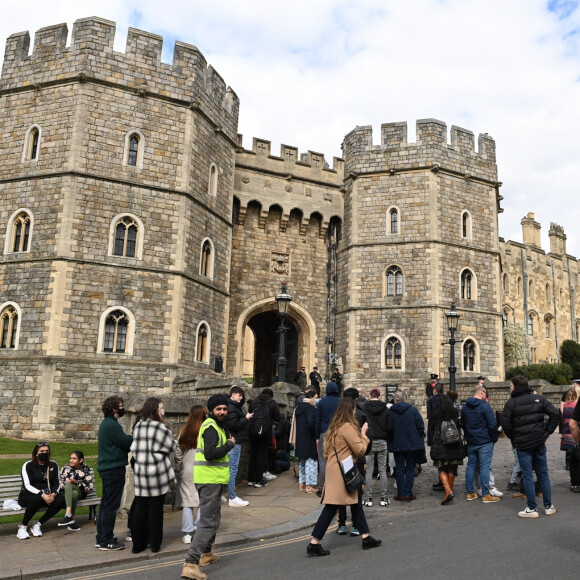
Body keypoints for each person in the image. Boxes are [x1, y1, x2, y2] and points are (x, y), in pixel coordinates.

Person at [306, 398, 382, 556]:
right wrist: (363, 434)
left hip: (336, 469)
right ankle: (314, 543)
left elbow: (326, 453)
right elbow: (360, 450)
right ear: (350, 411)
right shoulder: (347, 427)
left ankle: (366, 537)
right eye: (354, 409)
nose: (355, 412)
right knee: (331, 507)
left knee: (356, 503)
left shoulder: (333, 426)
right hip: (344, 472)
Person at [181, 394, 235, 580]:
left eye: (224, 409)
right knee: (207, 521)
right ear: (211, 410)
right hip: (209, 480)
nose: (222, 412)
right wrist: (229, 445)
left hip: (214, 479)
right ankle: (191, 563)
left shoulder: (217, 425)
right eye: (218, 409)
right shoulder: (211, 427)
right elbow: (211, 454)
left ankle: (206, 554)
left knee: (214, 517)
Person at [500, 375, 559, 518]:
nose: (510, 388)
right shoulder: (538, 398)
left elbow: (506, 425)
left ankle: (532, 508)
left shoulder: (511, 403)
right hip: (538, 441)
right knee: (543, 473)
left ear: (516, 386)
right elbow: (555, 413)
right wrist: (546, 433)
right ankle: (548, 505)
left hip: (524, 443)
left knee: (527, 475)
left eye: (511, 386)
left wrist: (515, 437)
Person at [130, 397, 176, 554]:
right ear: (155, 409)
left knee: (141, 509)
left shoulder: (138, 426)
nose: (163, 411)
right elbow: (172, 446)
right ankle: (154, 544)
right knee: (155, 511)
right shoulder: (160, 428)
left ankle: (138, 545)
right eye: (161, 408)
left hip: (142, 474)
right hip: (157, 474)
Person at [96, 395, 133, 551]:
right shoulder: (111, 425)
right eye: (120, 405)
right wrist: (131, 437)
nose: (122, 407)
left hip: (107, 469)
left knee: (105, 505)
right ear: (113, 408)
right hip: (113, 470)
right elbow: (126, 442)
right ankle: (107, 540)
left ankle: (101, 538)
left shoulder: (108, 424)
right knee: (111, 506)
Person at [17, 442, 66, 539]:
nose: (45, 453)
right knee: (37, 499)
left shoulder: (53, 465)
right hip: (28, 496)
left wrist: (54, 494)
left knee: (61, 500)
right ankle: (23, 527)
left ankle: (38, 524)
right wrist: (42, 494)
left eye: (47, 451)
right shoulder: (28, 465)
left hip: (48, 496)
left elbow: (57, 483)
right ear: (36, 453)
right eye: (42, 451)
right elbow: (27, 485)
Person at [461, 385, 499, 503]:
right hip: (484, 441)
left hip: (472, 441)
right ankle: (486, 493)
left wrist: (469, 435)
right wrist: (494, 438)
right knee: (484, 467)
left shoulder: (465, 407)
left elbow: (462, 423)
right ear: (482, 393)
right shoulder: (485, 407)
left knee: (471, 466)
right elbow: (493, 425)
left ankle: (470, 492)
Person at [176, 405, 208, 544]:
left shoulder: (184, 431)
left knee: (187, 503)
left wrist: (179, 467)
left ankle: (188, 533)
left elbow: (178, 452)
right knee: (202, 501)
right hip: (203, 469)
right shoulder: (207, 431)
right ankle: (199, 529)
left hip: (187, 470)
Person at [429, 392, 465, 505]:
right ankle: (449, 491)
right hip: (454, 444)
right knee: (451, 469)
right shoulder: (454, 412)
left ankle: (448, 491)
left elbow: (432, 428)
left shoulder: (436, 413)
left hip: (440, 445)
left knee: (441, 468)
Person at [390, 389, 425, 501]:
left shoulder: (391, 411)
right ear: (405, 399)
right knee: (410, 468)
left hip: (397, 443)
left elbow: (388, 428)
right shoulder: (413, 410)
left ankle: (401, 493)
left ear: (395, 400)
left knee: (399, 468)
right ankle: (408, 492)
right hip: (411, 443)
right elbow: (420, 426)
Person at [362, 388, 392, 507]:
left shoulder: (365, 408)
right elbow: (390, 426)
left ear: (370, 395)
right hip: (382, 440)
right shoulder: (385, 409)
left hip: (369, 441)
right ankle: (383, 498)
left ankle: (368, 498)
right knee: (382, 471)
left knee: (369, 470)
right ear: (379, 396)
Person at [247, 388, 281, 487]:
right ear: (270, 395)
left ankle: (250, 479)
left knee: (253, 454)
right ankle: (258, 480)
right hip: (265, 432)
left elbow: (249, 413)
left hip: (253, 431)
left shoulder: (254, 402)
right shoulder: (272, 403)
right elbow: (278, 418)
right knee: (262, 455)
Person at [226, 386, 253, 506]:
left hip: (235, 441)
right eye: (239, 395)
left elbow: (241, 401)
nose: (241, 398)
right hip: (234, 442)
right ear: (233, 395)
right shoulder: (231, 408)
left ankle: (222, 494)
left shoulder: (233, 406)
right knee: (232, 469)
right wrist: (246, 419)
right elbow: (234, 425)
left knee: (227, 469)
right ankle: (232, 497)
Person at [57, 450, 95, 531]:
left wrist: (77, 483)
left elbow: (90, 489)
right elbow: (61, 483)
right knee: (72, 492)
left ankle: (68, 515)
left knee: (70, 486)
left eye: (74, 458)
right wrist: (68, 484)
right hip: (67, 493)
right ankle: (72, 520)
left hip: (81, 493)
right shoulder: (66, 468)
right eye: (70, 458)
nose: (71, 460)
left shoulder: (85, 468)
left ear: (80, 460)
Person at [315, 381, 340, 493]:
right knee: (337, 459)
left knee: (323, 460)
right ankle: (336, 486)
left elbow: (317, 421)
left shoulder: (321, 403)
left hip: (324, 432)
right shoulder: (340, 402)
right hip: (338, 433)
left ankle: (324, 487)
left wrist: (317, 436)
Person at [294, 388, 319, 493]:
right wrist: (316, 432)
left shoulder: (299, 408)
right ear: (312, 397)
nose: (316, 400)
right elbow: (311, 423)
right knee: (310, 462)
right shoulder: (310, 409)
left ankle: (302, 484)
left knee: (302, 462)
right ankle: (309, 486)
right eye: (316, 398)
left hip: (300, 438)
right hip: (309, 439)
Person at [561, 384, 580, 491]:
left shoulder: (566, 405)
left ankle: (573, 483)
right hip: (575, 434)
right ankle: (578, 483)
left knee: (572, 461)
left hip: (567, 434)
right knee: (578, 460)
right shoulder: (577, 405)